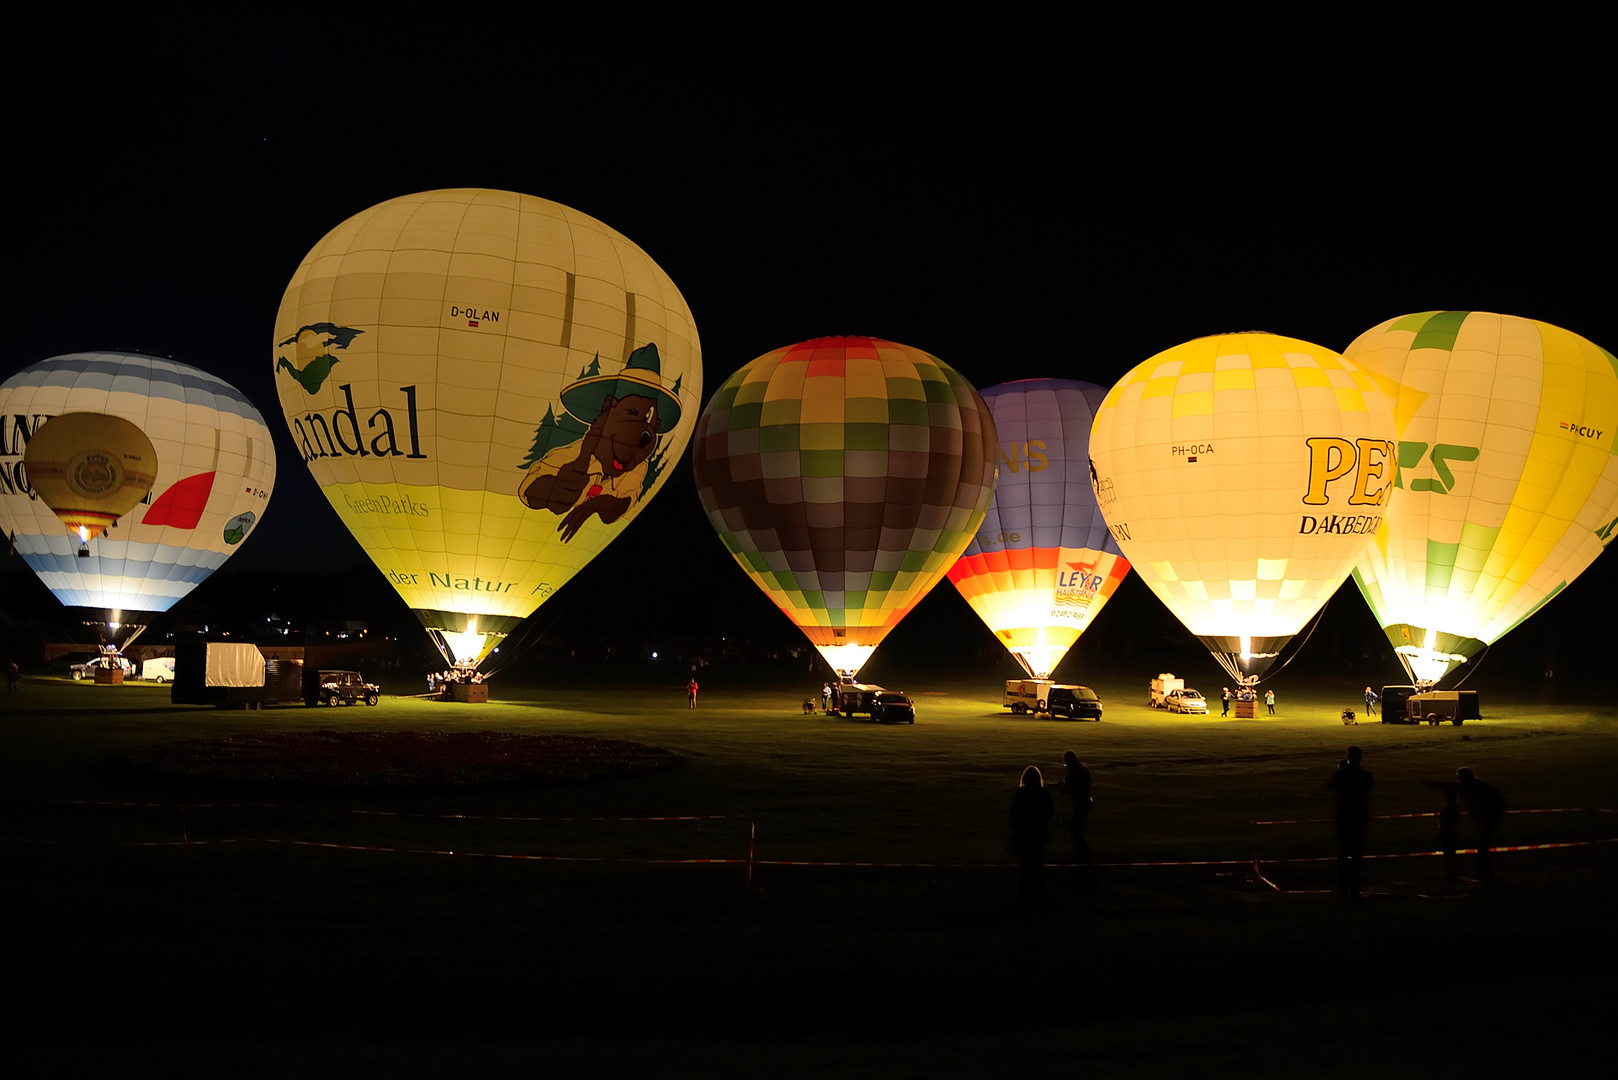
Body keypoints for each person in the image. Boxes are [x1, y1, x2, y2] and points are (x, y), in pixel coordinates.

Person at [1327, 745, 1373, 900]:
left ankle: (1342, 885)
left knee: (1342, 852)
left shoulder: (1342, 775)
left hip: (1343, 816)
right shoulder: (1366, 775)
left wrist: (1339, 771)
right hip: (1359, 816)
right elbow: (1369, 789)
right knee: (1356, 853)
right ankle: (1355, 885)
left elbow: (1329, 787)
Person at [1008, 765, 1054, 901]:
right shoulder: (1044, 793)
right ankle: (1039, 890)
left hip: (1024, 830)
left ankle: (1026, 890)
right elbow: (1049, 812)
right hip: (1040, 831)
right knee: (1038, 859)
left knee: (1025, 862)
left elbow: (1013, 812)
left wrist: (1015, 827)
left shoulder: (1020, 793)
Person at [1456, 768, 1505, 881]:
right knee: (1482, 844)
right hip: (1484, 819)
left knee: (1482, 844)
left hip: (1486, 819)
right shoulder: (1479, 787)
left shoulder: (1473, 788)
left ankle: (1484, 871)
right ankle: (1483, 870)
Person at [1056, 751, 1094, 871]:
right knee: (1077, 830)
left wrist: (1060, 786)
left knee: (1076, 831)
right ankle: (1079, 855)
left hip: (1080, 804)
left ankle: (1085, 856)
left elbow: (1068, 788)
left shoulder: (1073, 771)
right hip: (1086, 802)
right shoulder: (1084, 769)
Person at [1436, 787, 1460, 882]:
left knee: (1447, 852)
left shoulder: (1445, 810)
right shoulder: (1455, 809)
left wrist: (1439, 818)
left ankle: (1449, 870)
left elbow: (1443, 821)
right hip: (1452, 832)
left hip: (1445, 832)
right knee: (1452, 852)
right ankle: (1453, 870)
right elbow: (1457, 821)